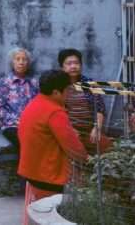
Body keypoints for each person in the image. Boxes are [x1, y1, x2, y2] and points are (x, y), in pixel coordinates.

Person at [18, 70, 87, 224]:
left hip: (32, 171)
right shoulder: (54, 111)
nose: (69, 93)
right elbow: (74, 148)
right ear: (56, 92)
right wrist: (89, 161)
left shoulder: (36, 103)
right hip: (49, 176)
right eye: (67, 90)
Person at [59, 48, 107, 153]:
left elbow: (100, 107)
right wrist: (69, 130)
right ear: (62, 67)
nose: (73, 66)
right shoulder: (59, 86)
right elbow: (57, 112)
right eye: (69, 63)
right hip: (69, 131)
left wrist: (97, 128)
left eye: (76, 63)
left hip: (90, 131)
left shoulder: (89, 83)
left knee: (107, 147)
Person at [0, 47, 39, 152]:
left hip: (31, 123)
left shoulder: (33, 82)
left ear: (28, 63)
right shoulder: (5, 82)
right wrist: (17, 121)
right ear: (12, 62)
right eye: (17, 59)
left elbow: (38, 105)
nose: (21, 62)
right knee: (24, 141)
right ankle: (26, 168)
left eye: (24, 59)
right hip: (12, 125)